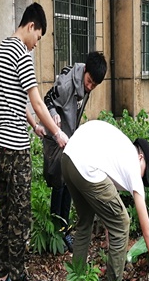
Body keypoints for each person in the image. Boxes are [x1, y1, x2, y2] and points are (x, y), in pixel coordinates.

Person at [0, 2, 69, 281]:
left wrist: (35, 125)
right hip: (15, 148)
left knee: (5, 212)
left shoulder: (3, 49)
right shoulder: (22, 54)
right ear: (32, 26)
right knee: (20, 216)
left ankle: (3, 277)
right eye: (38, 37)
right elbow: (36, 101)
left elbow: (14, 98)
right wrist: (56, 133)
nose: (36, 44)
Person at [61, 120, 149, 281]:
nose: (141, 177)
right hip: (85, 166)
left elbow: (106, 201)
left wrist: (109, 235)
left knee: (84, 223)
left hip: (68, 158)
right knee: (122, 224)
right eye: (144, 171)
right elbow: (147, 231)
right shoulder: (132, 164)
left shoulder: (119, 151)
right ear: (141, 157)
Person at [43, 51, 107, 252]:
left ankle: (65, 231)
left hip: (69, 137)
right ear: (84, 70)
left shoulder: (85, 82)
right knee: (59, 184)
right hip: (55, 137)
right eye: (89, 82)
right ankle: (55, 233)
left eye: (94, 85)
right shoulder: (66, 84)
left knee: (69, 183)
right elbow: (46, 99)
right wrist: (53, 114)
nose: (90, 87)